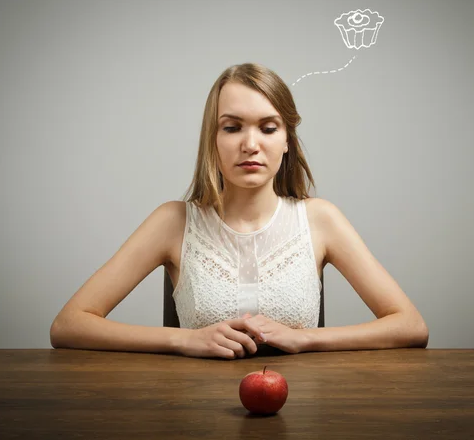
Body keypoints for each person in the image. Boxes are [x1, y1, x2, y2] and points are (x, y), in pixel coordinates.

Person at [50, 62, 429, 360]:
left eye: (268, 128)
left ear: (286, 142)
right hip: (196, 414)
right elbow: (68, 325)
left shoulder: (320, 219)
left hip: (303, 412)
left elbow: (410, 325)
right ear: (212, 141)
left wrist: (306, 339)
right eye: (232, 128)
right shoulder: (172, 222)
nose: (250, 144)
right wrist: (186, 340)